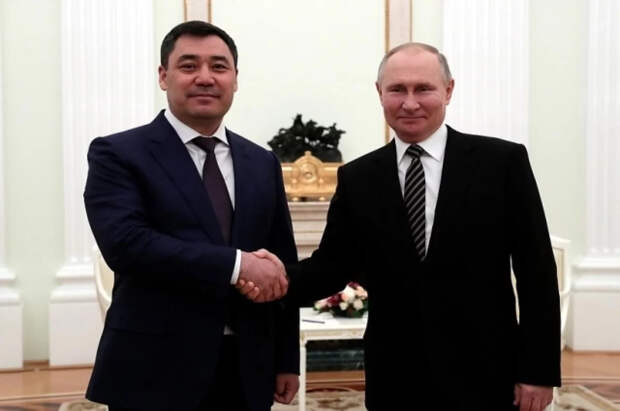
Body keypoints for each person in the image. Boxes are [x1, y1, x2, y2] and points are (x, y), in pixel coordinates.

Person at [242, 43, 561, 410]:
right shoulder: (358, 178)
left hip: (486, 372)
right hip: (395, 376)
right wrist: (270, 278)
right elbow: (331, 267)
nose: (410, 103)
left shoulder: (502, 163)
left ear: (448, 90)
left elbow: (536, 271)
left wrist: (537, 371)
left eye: (423, 88)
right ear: (380, 93)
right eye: (397, 90)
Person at [84, 21, 299, 411]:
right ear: (163, 76)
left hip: (246, 368)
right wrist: (237, 265)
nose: (205, 77)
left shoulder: (261, 162)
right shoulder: (118, 154)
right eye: (188, 66)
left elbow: (281, 260)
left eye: (219, 66)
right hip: (154, 369)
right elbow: (127, 245)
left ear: (235, 79)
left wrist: (286, 359)